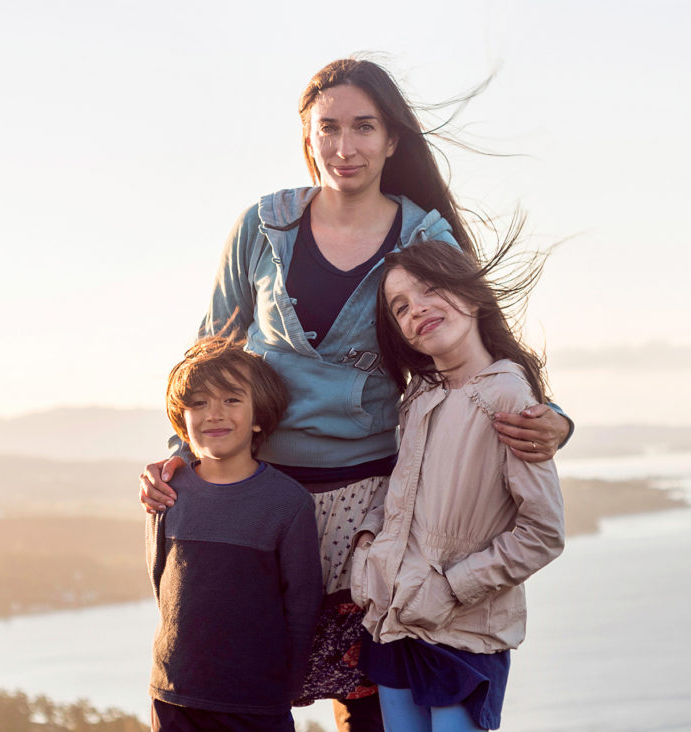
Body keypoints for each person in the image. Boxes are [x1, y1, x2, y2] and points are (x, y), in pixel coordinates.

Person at [140, 57, 572, 731]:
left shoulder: (424, 235)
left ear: (392, 139)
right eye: (329, 128)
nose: (345, 147)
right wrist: (179, 455)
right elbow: (211, 350)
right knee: (242, 688)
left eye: (364, 127)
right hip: (261, 490)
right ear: (307, 136)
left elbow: (481, 340)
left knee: (367, 698)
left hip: (371, 500)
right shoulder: (264, 225)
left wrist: (555, 420)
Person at [349, 239, 565, 730]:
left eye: (430, 289)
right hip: (394, 619)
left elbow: (544, 532)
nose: (416, 308)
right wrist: (368, 551)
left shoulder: (507, 394)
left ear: (471, 297)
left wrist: (450, 588)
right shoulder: (418, 395)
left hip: (464, 633)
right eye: (400, 307)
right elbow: (398, 493)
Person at [147, 337, 323, 731]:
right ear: (183, 417)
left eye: (231, 400)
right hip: (175, 695)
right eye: (199, 402)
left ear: (258, 415)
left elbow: (302, 604)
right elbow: (160, 582)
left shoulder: (287, 503)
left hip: (257, 702)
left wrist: (284, 686)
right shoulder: (170, 492)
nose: (214, 414)